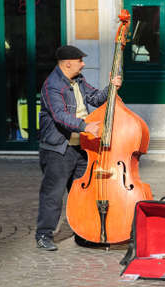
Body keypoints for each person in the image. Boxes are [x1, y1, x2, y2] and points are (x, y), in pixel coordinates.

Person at [35, 45, 122, 251]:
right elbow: (59, 116)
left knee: (81, 195)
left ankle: (83, 234)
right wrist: (85, 126)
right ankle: (44, 235)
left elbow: (95, 99)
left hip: (81, 147)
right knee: (53, 195)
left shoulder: (79, 80)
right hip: (58, 148)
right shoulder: (52, 85)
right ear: (68, 63)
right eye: (80, 61)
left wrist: (111, 87)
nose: (83, 65)